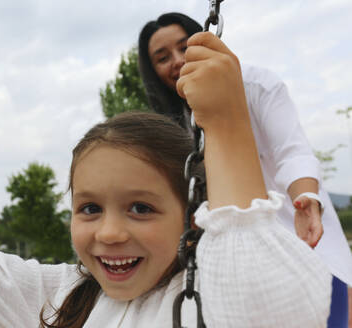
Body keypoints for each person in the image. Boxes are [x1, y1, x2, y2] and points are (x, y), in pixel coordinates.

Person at [0, 54, 331, 327]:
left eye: (141, 208)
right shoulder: (66, 295)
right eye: (90, 208)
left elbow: (274, 307)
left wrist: (226, 124)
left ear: (192, 216)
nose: (109, 232)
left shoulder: (205, 298)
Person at [138, 12, 351, 326]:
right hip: (233, 254)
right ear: (153, 71)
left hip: (296, 228)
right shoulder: (172, 126)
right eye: (162, 57)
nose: (177, 60)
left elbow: (292, 151)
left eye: (185, 48)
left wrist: (305, 198)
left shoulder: (255, 85)